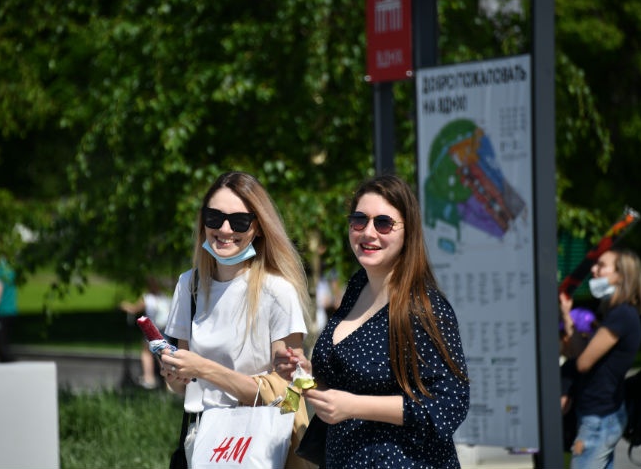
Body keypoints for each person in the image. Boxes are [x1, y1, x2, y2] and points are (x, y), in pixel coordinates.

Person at [291, 175, 470, 468]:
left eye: (383, 223)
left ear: (408, 231)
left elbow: (450, 404)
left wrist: (354, 407)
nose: (368, 232)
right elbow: (343, 381)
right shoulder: (356, 287)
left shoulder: (423, 307)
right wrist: (305, 374)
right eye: (359, 220)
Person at [159, 171, 311, 465]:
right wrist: (175, 375)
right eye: (214, 217)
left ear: (258, 227)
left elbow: (292, 388)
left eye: (239, 221)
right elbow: (183, 387)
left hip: (259, 443)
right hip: (202, 441)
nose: (224, 229)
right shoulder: (189, 286)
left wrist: (203, 368)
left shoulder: (277, 292)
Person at [559, 247, 641, 469]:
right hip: (598, 414)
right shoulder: (614, 313)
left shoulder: (622, 315)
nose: (594, 270)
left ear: (621, 275)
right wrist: (567, 316)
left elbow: (583, 362)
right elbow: (579, 352)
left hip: (599, 417)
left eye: (601, 265)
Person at [120, 276, 172, 389]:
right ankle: (169, 383)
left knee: (146, 353)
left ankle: (149, 378)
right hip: (164, 330)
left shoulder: (147, 298)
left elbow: (133, 309)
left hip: (151, 330)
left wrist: (123, 305)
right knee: (163, 356)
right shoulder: (165, 298)